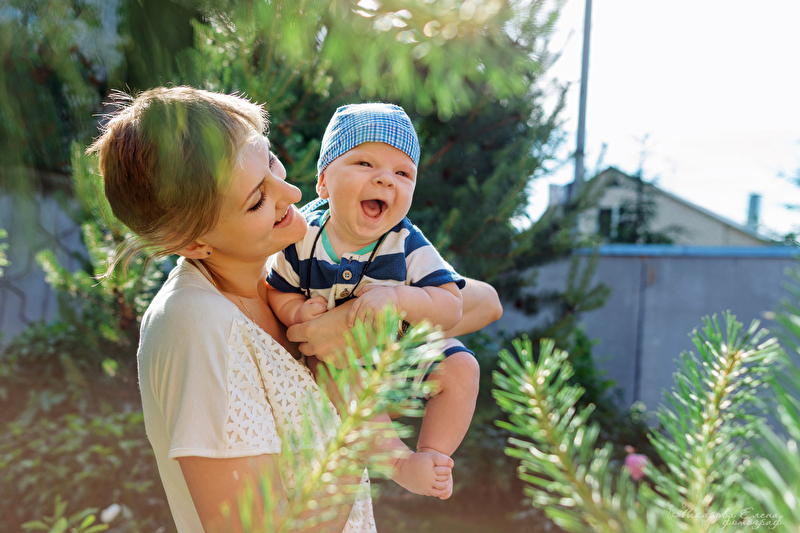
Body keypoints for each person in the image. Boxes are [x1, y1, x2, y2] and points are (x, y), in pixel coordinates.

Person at [88, 87, 502, 532]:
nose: (291, 191)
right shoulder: (196, 326)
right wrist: (356, 421)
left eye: (270, 162)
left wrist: (362, 324)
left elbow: (483, 303)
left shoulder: (284, 259)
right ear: (193, 243)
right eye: (256, 200)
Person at [267, 103, 482, 500]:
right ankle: (397, 464)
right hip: (341, 363)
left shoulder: (406, 242)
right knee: (336, 377)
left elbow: (451, 304)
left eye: (403, 173)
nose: (385, 179)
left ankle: (432, 457)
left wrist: (400, 297)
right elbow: (277, 288)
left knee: (462, 367)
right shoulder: (303, 238)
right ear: (323, 182)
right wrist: (296, 310)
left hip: (399, 355)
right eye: (365, 163)